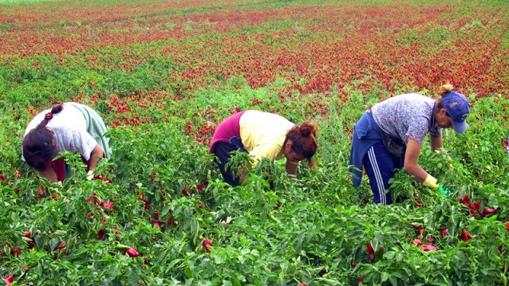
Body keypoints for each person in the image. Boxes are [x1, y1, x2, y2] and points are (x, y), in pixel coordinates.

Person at [349, 84, 470, 204]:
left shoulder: (436, 114)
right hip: (373, 134)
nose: (452, 127)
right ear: (443, 112)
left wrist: (454, 171)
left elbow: (438, 151)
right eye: (451, 123)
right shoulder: (421, 119)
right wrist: (437, 186)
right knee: (386, 196)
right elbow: (410, 165)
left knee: (400, 186)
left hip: (393, 137)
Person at [210, 110, 318, 186]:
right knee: (237, 185)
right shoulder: (272, 145)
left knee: (267, 179)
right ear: (289, 146)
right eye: (294, 158)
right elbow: (250, 170)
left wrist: (292, 189)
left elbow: (291, 169)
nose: (294, 161)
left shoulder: (297, 136)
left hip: (244, 124)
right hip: (227, 137)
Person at [22, 102, 111, 182]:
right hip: (61, 129)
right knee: (63, 175)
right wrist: (55, 189)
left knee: (99, 167)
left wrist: (90, 176)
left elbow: (98, 152)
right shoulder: (29, 148)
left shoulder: (71, 132)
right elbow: (45, 169)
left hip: (82, 115)